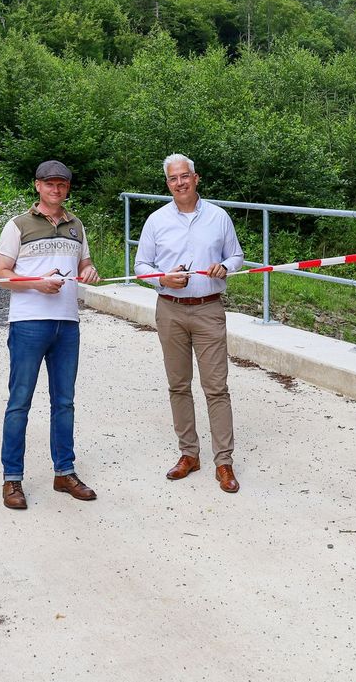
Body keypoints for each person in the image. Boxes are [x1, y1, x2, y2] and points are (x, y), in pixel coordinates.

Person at [134, 153, 245, 493]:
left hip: (208, 310)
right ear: (167, 183)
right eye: (173, 179)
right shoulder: (156, 220)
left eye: (185, 176)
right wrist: (162, 280)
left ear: (196, 178)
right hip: (170, 310)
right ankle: (189, 454)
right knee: (178, 385)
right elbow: (141, 265)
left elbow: (236, 255)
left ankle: (223, 462)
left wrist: (225, 267)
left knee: (216, 388)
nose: (179, 183)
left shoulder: (218, 217)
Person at [0, 160, 100, 510]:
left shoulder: (76, 226)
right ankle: (12, 480)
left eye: (62, 185)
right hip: (28, 323)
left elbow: (84, 264)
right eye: (49, 184)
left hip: (67, 323)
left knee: (64, 403)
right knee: (19, 402)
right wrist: (36, 283)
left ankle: (64, 472)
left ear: (68, 188)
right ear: (37, 186)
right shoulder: (17, 225)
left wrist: (89, 269)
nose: (56, 189)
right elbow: (0, 275)